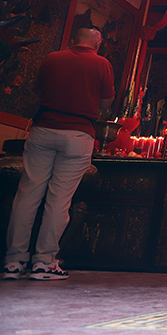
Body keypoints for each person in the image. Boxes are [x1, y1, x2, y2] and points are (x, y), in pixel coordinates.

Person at [3, 26, 114, 281]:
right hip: (78, 134)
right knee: (59, 200)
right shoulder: (102, 64)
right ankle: (44, 262)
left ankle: (13, 261)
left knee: (28, 194)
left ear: (74, 40)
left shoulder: (53, 58)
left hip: (43, 129)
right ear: (96, 43)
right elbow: (106, 103)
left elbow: (39, 90)